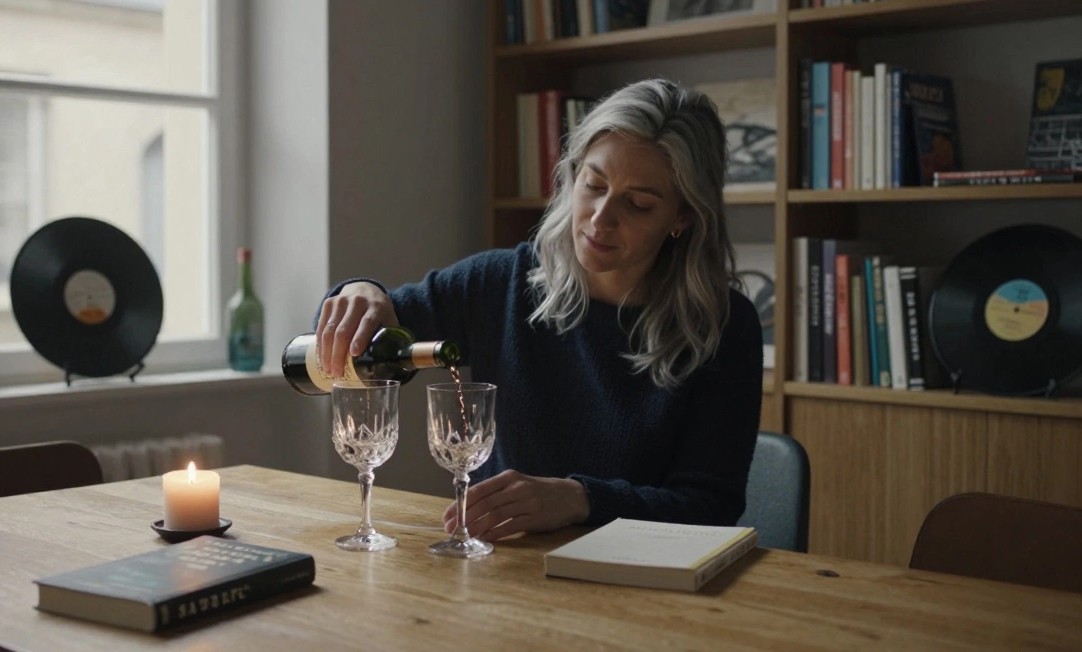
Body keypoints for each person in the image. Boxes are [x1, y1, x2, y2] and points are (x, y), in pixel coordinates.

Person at [314, 77, 762, 543]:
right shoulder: (502, 283)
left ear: (683, 217)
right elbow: (358, 343)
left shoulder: (725, 327)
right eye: (593, 184)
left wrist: (579, 500)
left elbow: (710, 510)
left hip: (641, 589)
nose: (600, 217)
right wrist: (361, 291)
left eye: (638, 204)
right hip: (504, 569)